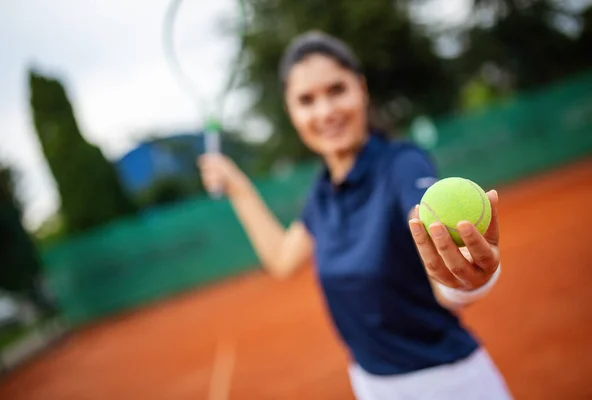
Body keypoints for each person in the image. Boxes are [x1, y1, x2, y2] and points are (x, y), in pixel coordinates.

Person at [198, 31, 512, 399]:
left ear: (361, 89)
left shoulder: (402, 164)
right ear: (292, 113)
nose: (326, 111)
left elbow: (438, 254)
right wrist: (239, 188)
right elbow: (282, 260)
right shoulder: (321, 193)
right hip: (370, 384)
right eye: (306, 100)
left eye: (336, 90)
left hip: (447, 382)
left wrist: (467, 278)